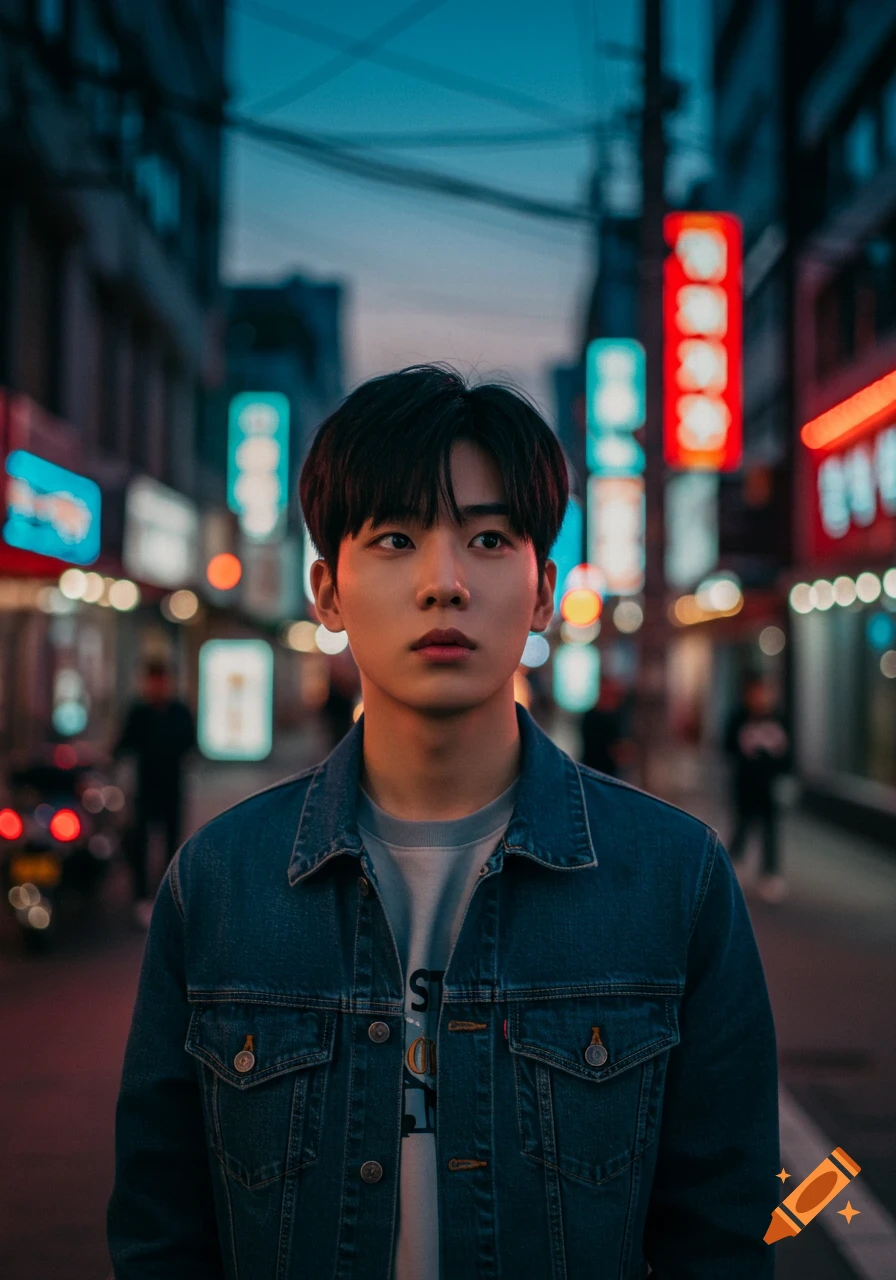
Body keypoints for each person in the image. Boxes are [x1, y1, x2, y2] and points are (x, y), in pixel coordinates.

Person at [108, 365, 779, 1278]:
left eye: (489, 538)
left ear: (542, 590)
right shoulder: (219, 883)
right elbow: (161, 1233)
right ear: (327, 591)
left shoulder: (675, 878)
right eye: (394, 538)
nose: (444, 583)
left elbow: (724, 1235)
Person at [113, 660, 196, 929]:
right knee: (140, 842)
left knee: (172, 843)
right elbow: (123, 744)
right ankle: (141, 897)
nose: (157, 686)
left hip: (171, 789)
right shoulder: (138, 712)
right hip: (145, 789)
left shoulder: (179, 711)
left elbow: (190, 744)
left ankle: (168, 894)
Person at [724, 674, 791, 904]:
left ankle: (770, 874)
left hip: (769, 787)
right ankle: (732, 869)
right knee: (741, 827)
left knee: (770, 830)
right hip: (745, 786)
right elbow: (727, 747)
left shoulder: (779, 719)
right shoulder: (739, 718)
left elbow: (788, 754)